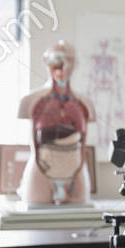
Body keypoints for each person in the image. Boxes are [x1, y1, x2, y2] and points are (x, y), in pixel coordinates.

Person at [16, 41, 95, 205]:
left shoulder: (85, 103)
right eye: (58, 59)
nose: (64, 65)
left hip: (76, 169)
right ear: (47, 61)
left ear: (75, 64)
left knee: (80, 226)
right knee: (38, 225)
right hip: (41, 168)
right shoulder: (29, 101)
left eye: (70, 60)